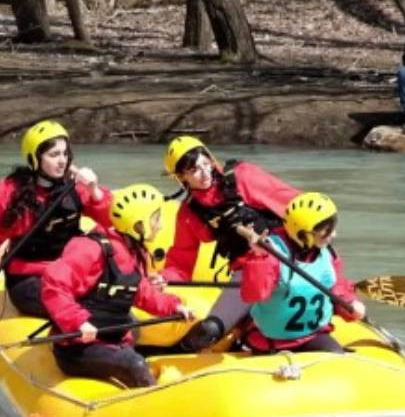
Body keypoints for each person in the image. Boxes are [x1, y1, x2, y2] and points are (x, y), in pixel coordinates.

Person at [40, 184, 194, 388]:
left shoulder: (133, 252)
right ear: (139, 224)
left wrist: (174, 306)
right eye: (155, 218)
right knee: (136, 364)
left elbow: (141, 291)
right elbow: (53, 283)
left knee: (135, 335)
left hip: (111, 339)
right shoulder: (90, 248)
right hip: (76, 348)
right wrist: (77, 322)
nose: (159, 225)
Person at [160, 135, 299, 351]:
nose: (205, 173)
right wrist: (164, 280)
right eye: (194, 170)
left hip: (286, 260)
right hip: (249, 274)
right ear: (181, 177)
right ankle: (172, 356)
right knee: (209, 330)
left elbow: (291, 201)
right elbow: (180, 260)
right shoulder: (190, 214)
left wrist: (317, 229)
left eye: (206, 163)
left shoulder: (243, 176)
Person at [0, 120, 112, 319]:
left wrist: (94, 190)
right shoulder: (11, 192)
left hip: (70, 273)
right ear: (35, 158)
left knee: (110, 305)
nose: (62, 161)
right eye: (54, 155)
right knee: (83, 310)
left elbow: (110, 220)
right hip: (29, 278)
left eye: (65, 154)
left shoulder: (76, 186)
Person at [236, 192, 366, 354]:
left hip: (313, 337)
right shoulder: (270, 254)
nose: (333, 235)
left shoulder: (327, 253)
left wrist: (350, 302)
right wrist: (259, 256)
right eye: (326, 231)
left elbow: (336, 285)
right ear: (304, 234)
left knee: (338, 360)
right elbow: (253, 295)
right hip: (270, 340)